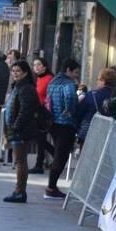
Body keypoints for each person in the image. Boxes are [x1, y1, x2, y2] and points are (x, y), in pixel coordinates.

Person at [3, 60, 41, 203]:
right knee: (18, 160)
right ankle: (19, 190)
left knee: (20, 161)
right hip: (16, 129)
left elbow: (26, 110)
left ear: (25, 72)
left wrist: (16, 127)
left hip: (21, 130)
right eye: (13, 71)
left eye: (18, 71)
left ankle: (20, 191)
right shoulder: (18, 87)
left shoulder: (26, 88)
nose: (15, 74)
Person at [44, 59, 81, 199]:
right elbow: (70, 97)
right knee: (62, 155)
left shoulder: (53, 82)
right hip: (66, 123)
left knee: (58, 152)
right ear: (68, 70)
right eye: (75, 72)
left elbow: (48, 99)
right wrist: (70, 110)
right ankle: (51, 187)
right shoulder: (68, 83)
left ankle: (51, 186)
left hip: (53, 122)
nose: (76, 75)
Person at [76, 66, 116, 149]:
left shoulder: (91, 95)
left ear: (103, 81)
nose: (97, 82)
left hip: (89, 134)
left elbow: (78, 114)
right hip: (110, 136)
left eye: (98, 79)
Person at [29, 57, 53, 173]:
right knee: (38, 138)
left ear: (45, 66)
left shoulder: (49, 79)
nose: (36, 67)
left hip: (44, 112)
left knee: (40, 138)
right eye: (34, 65)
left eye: (38, 64)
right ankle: (51, 155)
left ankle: (39, 164)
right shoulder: (36, 79)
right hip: (36, 111)